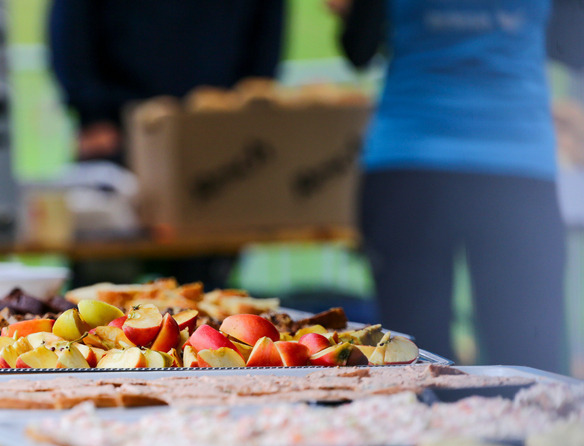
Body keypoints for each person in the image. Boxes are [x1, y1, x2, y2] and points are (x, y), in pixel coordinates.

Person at [335, 0, 568, 373]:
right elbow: (572, 45)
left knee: (413, 365)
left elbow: (358, 48)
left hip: (410, 162)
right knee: (529, 366)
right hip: (515, 164)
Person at [48, 0, 285, 287]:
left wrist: (246, 107)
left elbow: (267, 28)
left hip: (213, 130)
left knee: (204, 283)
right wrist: (91, 112)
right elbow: (70, 24)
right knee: (106, 275)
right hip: (118, 129)